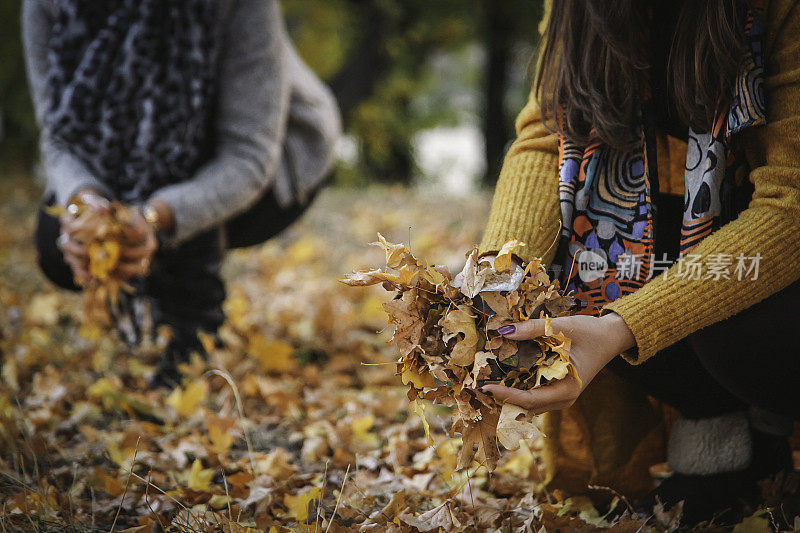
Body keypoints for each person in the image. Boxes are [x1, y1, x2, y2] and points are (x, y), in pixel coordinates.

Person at [477, 0, 800, 524]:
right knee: (583, 263)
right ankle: (715, 444)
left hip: (776, 244)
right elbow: (547, 136)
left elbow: (792, 201)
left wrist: (626, 326)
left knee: (724, 313)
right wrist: (497, 275)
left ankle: (770, 426)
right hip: (705, 227)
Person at [23, 0, 341, 387]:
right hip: (118, 157)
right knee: (53, 240)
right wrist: (86, 205)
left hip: (273, 157)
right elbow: (58, 139)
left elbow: (247, 155)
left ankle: (193, 326)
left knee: (178, 157)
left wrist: (155, 217)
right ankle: (161, 298)